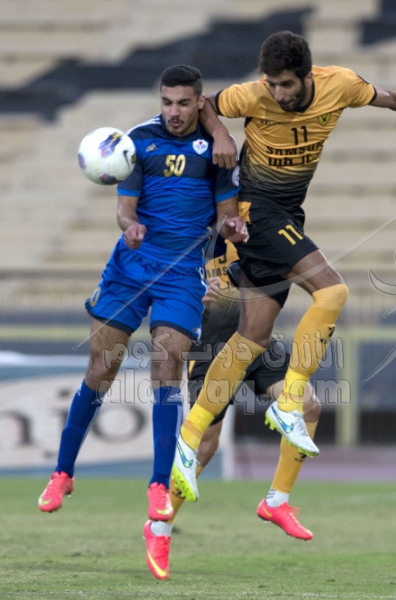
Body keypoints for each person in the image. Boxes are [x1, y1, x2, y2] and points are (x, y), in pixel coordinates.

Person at [172, 30, 396, 502]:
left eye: (286, 84)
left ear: (307, 77)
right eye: (271, 84)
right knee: (333, 290)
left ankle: (197, 446)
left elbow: (391, 98)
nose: (276, 93)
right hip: (257, 211)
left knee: (251, 338)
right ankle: (288, 404)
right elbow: (206, 105)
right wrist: (221, 131)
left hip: (287, 214)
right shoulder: (252, 95)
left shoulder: (339, 84)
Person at [37, 65, 247, 538]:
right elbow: (124, 207)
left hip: (182, 277)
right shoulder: (138, 142)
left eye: (183, 103)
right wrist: (129, 227)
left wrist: (232, 228)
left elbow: (226, 216)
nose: (173, 111)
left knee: (165, 369)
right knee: (101, 367)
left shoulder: (217, 152)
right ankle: (63, 472)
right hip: (130, 269)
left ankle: (157, 483)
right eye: (166, 102)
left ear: (199, 103)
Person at [143, 238, 322, 579]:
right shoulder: (196, 232)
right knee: (205, 445)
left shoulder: (260, 230)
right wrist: (195, 293)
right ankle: (159, 528)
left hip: (255, 341)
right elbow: (160, 284)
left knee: (309, 406)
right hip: (210, 347)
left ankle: (276, 501)